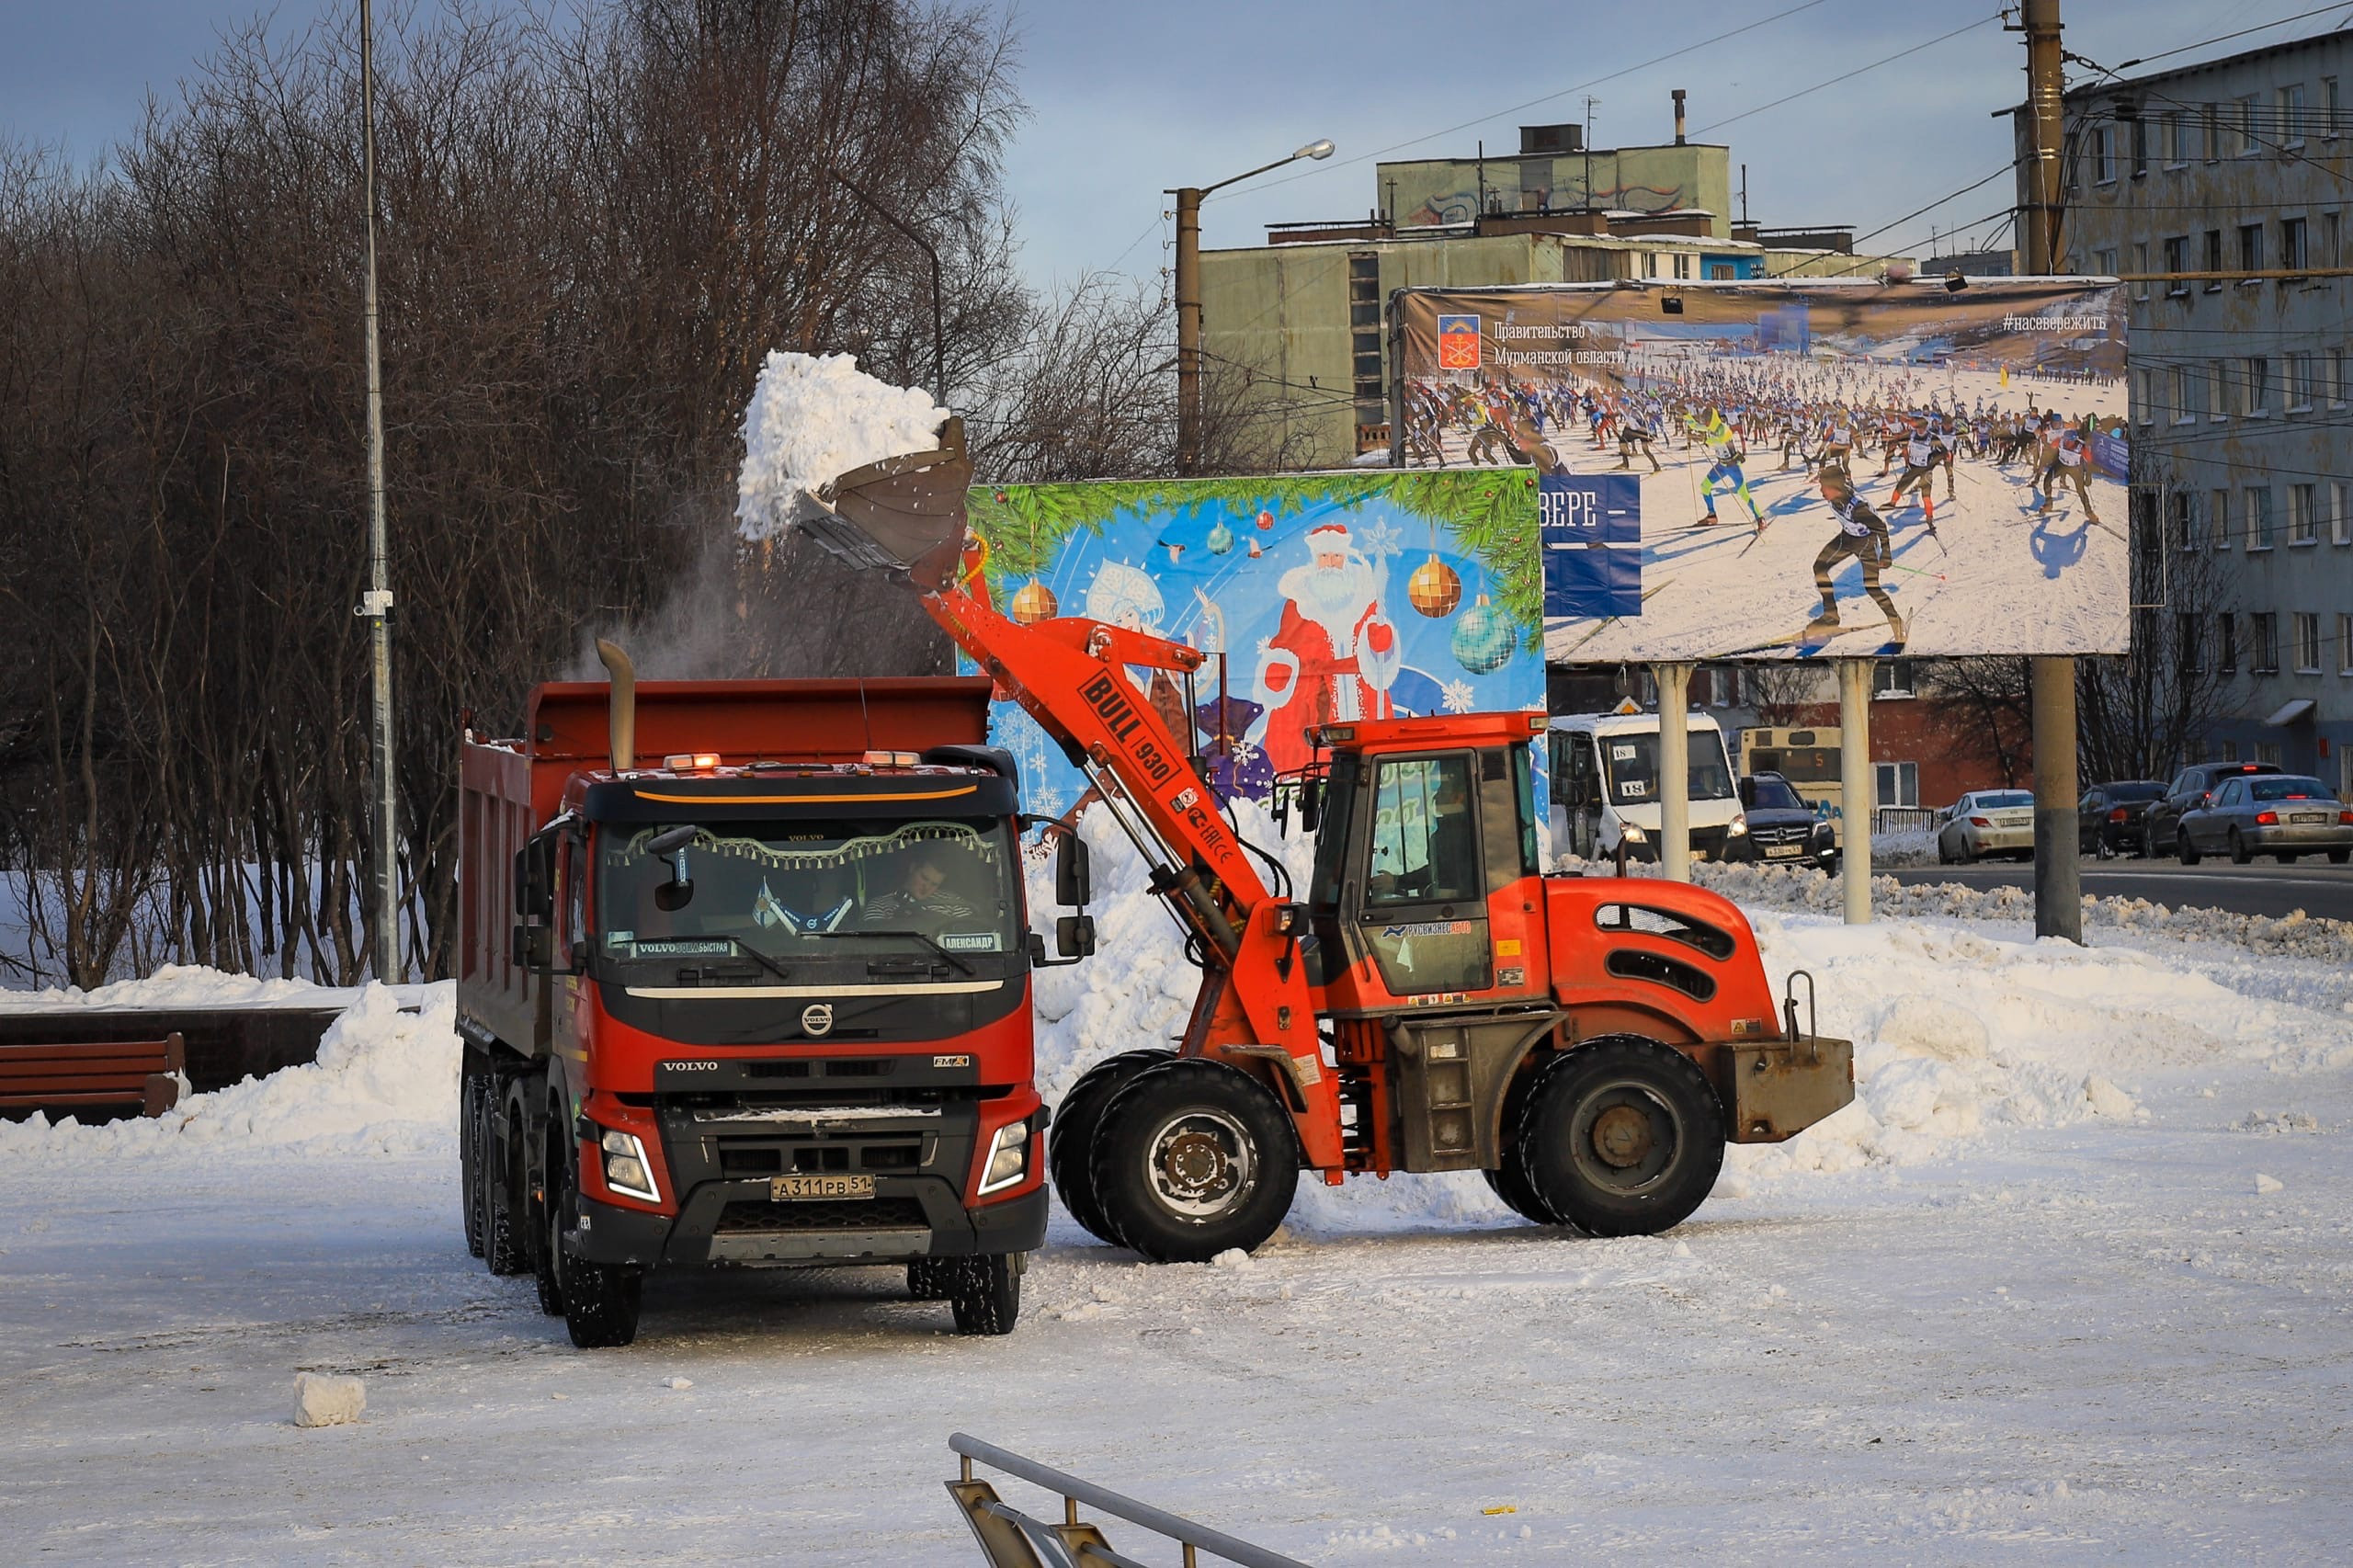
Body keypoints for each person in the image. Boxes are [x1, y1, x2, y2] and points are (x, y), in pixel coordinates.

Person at [1809, 466, 1904, 642]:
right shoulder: (1836, 495)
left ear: (1834, 488)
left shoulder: (1858, 508)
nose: (1821, 491)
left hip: (1865, 544)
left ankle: (1896, 621)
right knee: (1820, 568)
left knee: (1871, 587)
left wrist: (1886, 555)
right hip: (1848, 537)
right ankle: (1831, 617)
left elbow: (1881, 527)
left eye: (1824, 487)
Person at [861, 847, 977, 929]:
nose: (926, 887)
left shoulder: (953, 902)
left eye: (934, 884)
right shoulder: (879, 905)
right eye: (924, 878)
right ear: (912, 868)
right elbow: (875, 945)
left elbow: (971, 934)